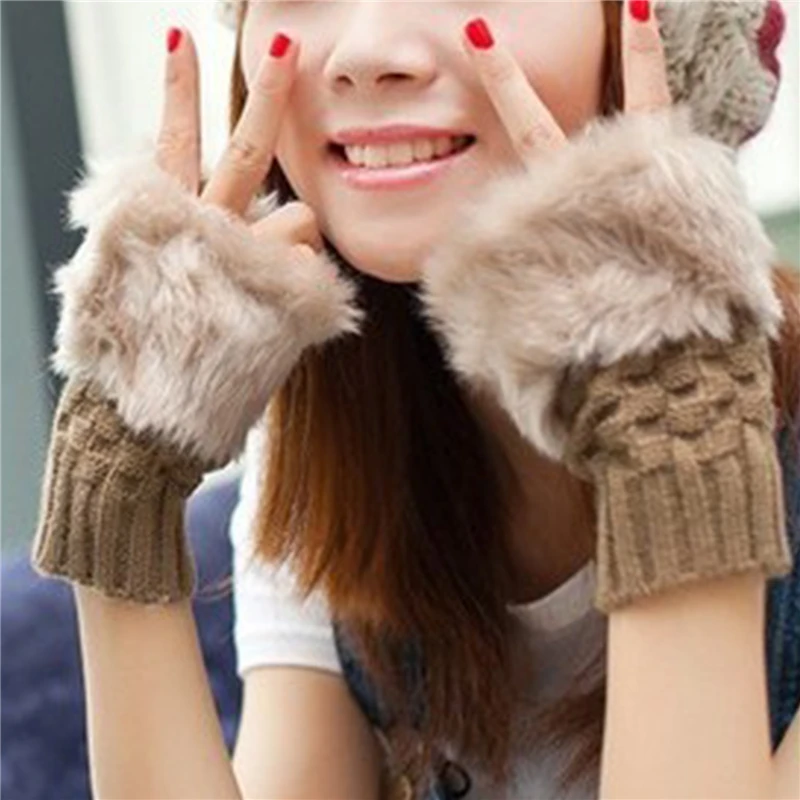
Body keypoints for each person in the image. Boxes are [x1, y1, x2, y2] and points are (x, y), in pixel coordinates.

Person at [30, 1, 799, 798]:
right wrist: (123, 477)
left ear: (664, 49)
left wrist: (672, 418)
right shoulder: (333, 447)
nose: (367, 52)